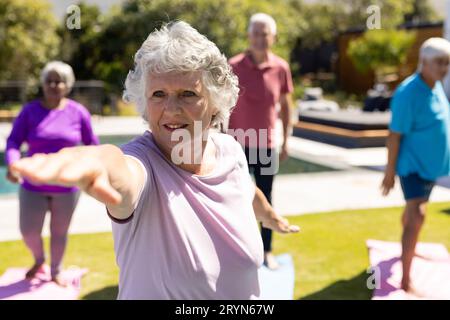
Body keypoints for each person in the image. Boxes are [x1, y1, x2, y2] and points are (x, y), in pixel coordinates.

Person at [10, 21, 299, 299]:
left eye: (188, 94)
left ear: (215, 103)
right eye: (158, 94)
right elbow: (124, 172)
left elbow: (245, 192)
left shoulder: (230, 150)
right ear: (145, 105)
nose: (171, 109)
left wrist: (269, 215)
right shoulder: (142, 162)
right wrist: (100, 162)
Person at [5, 61, 99, 285]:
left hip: (67, 186)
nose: (54, 85)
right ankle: (39, 260)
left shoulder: (78, 112)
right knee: (28, 231)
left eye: (59, 81)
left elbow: (92, 146)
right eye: (49, 80)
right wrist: (13, 165)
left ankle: (56, 270)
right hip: (33, 185)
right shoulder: (29, 111)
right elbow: (13, 142)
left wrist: (89, 171)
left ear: (68, 86)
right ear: (43, 84)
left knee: (59, 232)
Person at [381, 37, 450, 293]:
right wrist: (389, 172)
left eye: (447, 63)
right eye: (439, 63)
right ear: (423, 62)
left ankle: (409, 250)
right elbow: (394, 135)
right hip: (413, 167)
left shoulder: (435, 86)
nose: (444, 68)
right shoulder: (408, 93)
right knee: (417, 215)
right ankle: (406, 280)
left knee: (413, 214)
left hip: (430, 167)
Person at [227, 13, 294, 269]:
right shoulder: (232, 66)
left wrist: (287, 139)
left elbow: (286, 106)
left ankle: (266, 251)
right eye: (256, 32)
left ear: (273, 38)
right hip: (237, 145)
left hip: (266, 145)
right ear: (248, 36)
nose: (260, 38)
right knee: (235, 199)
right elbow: (222, 104)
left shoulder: (281, 68)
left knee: (266, 198)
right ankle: (238, 251)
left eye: (265, 33)